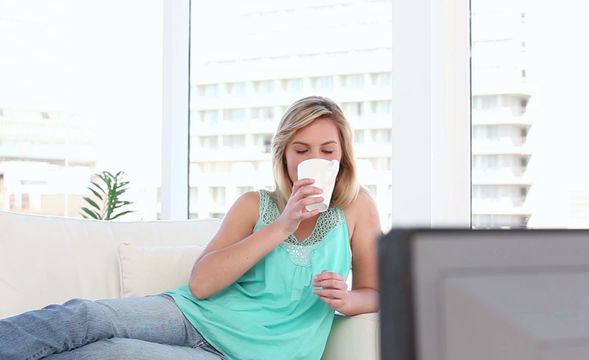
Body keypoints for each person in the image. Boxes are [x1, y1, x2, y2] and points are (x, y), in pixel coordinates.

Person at [0, 96, 381, 360]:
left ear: (343, 153)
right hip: (192, 315)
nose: (314, 159)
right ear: (283, 154)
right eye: (301, 150)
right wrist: (283, 225)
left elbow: (379, 292)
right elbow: (201, 284)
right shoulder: (255, 206)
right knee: (83, 316)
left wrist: (348, 301)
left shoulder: (357, 207)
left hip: (246, 354)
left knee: (104, 354)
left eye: (327, 150)